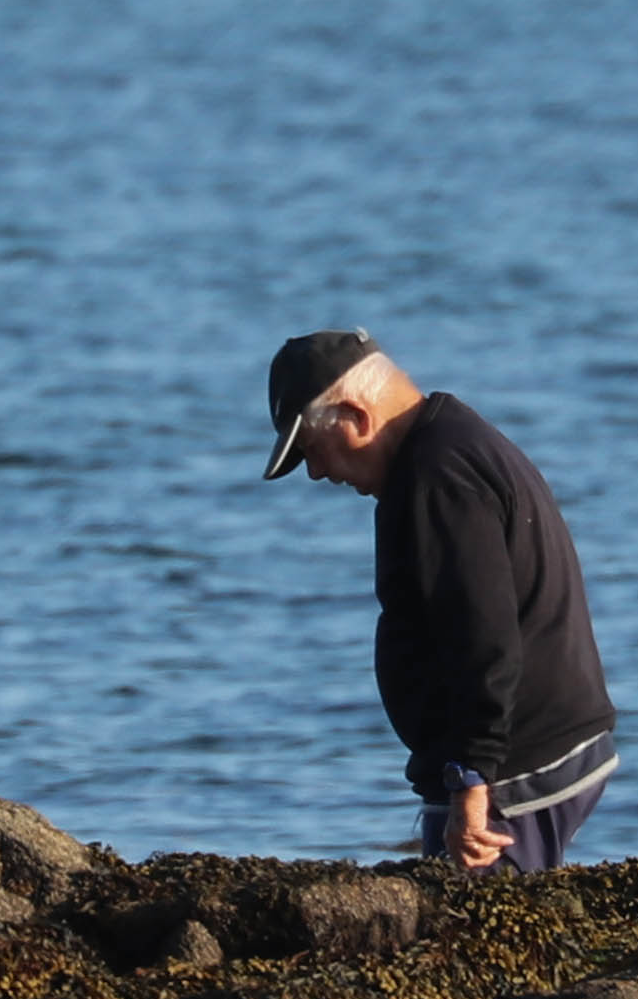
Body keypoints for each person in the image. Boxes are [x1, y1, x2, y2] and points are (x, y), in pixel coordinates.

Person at [258, 330, 617, 872]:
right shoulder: (444, 445)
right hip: (515, 756)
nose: (317, 472)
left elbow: (483, 637)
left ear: (356, 417)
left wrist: (472, 779)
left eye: (311, 449)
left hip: (515, 765)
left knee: (472, 922)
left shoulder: (438, 476)